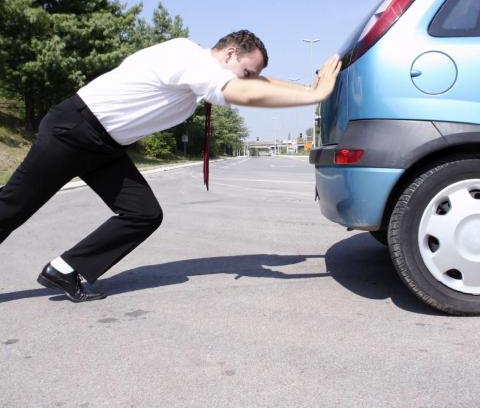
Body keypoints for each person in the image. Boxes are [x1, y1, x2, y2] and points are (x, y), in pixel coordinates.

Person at [0, 30, 341, 302]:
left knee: (143, 213)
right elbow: (247, 93)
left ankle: (65, 269)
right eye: (246, 71)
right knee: (14, 205)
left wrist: (307, 87)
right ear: (230, 54)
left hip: (104, 146)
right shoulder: (189, 59)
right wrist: (315, 96)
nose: (248, 78)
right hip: (73, 131)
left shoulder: (201, 68)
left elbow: (257, 85)